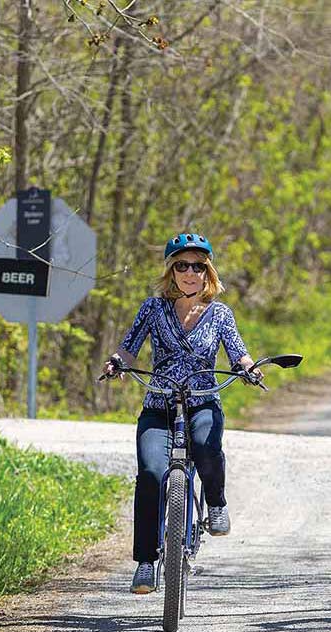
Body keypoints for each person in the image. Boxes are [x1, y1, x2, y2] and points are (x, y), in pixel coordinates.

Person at [102, 233, 260, 594]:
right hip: (159, 405)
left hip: (202, 400)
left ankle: (216, 503)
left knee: (206, 444)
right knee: (151, 473)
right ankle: (145, 563)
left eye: (198, 266)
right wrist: (116, 364)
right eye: (182, 265)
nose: (190, 272)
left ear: (208, 273)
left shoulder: (219, 313)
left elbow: (238, 351)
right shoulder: (152, 309)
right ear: (171, 271)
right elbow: (129, 349)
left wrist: (248, 368)